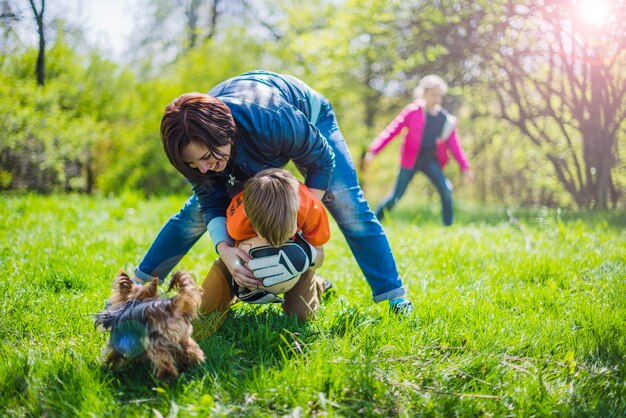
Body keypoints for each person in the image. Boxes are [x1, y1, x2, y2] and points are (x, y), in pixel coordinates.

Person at [134, 70, 413, 315]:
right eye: (194, 164)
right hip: (247, 138)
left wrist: (299, 224)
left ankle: (394, 296)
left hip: (309, 120)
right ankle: (137, 289)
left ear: (224, 132)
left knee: (347, 203)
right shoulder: (191, 146)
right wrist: (227, 252)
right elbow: (210, 203)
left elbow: (322, 160)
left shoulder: (272, 118)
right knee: (194, 214)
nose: (205, 169)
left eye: (207, 157)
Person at [199, 168, 330, 325]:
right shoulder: (238, 221)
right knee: (202, 309)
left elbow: (320, 257)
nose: (277, 245)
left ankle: (317, 283)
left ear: (296, 215)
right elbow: (230, 255)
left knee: (302, 317)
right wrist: (240, 273)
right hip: (246, 255)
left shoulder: (311, 208)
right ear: (251, 222)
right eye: (268, 239)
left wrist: (304, 256)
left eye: (287, 235)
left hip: (297, 260)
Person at [363, 74, 473, 226]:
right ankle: (372, 223)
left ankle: (448, 227)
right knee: (396, 196)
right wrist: (374, 150)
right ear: (424, 94)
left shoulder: (445, 120)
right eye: (433, 95)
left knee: (446, 189)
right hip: (410, 161)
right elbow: (393, 129)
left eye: (439, 96)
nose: (436, 99)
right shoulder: (413, 112)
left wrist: (465, 167)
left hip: (430, 162)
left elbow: (455, 146)